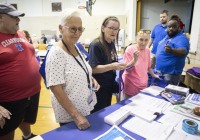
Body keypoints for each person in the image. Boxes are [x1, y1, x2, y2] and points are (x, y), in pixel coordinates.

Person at [45, 8, 100, 130]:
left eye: (80, 29)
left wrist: (90, 78)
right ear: (61, 28)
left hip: (85, 106)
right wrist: (76, 116)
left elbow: (79, 69)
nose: (77, 32)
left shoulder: (75, 47)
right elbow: (55, 87)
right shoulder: (56, 53)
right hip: (72, 116)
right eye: (73, 29)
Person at [0, 3, 41, 140]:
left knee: (25, 119)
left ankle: (27, 136)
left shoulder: (20, 33)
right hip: (10, 98)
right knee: (7, 132)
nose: (18, 20)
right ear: (0, 18)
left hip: (32, 93)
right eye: (14, 17)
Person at [88, 16, 126, 113]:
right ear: (103, 28)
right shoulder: (96, 45)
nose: (113, 31)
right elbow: (93, 69)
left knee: (106, 110)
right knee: (98, 113)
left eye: (116, 29)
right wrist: (113, 66)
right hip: (99, 88)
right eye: (111, 28)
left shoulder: (111, 43)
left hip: (108, 85)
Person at [122, 30, 159, 99]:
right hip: (131, 84)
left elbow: (148, 67)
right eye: (141, 39)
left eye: (146, 40)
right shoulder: (130, 49)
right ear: (136, 39)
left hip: (143, 84)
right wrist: (134, 60)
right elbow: (127, 69)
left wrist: (153, 75)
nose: (143, 43)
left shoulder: (147, 50)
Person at [155, 15, 190, 85]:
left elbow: (183, 51)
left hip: (170, 74)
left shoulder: (181, 38)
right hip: (160, 71)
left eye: (173, 27)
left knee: (168, 94)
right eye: (169, 27)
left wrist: (172, 50)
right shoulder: (168, 36)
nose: (171, 29)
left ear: (178, 28)